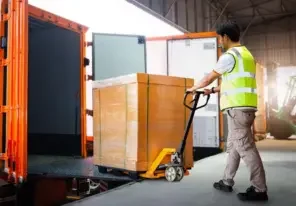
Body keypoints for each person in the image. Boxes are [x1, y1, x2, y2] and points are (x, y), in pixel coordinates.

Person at [186, 20, 268, 202]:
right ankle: (227, 180)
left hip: (237, 110)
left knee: (246, 148)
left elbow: (209, 77)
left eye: (220, 39)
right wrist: (213, 90)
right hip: (244, 108)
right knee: (234, 147)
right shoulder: (246, 55)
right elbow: (235, 82)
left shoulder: (230, 56)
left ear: (225, 37)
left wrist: (194, 88)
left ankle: (259, 188)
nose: (220, 42)